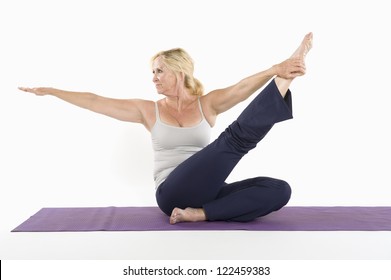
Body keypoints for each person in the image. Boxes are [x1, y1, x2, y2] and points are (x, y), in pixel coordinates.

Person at [19, 32, 313, 224]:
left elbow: (242, 88)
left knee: (279, 190)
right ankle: (287, 80)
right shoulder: (148, 110)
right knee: (235, 140)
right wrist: (53, 91)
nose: (154, 78)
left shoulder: (206, 104)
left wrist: (273, 68)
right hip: (171, 191)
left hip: (206, 192)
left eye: (159, 71)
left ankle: (200, 214)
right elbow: (95, 100)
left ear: (179, 71)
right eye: (153, 73)